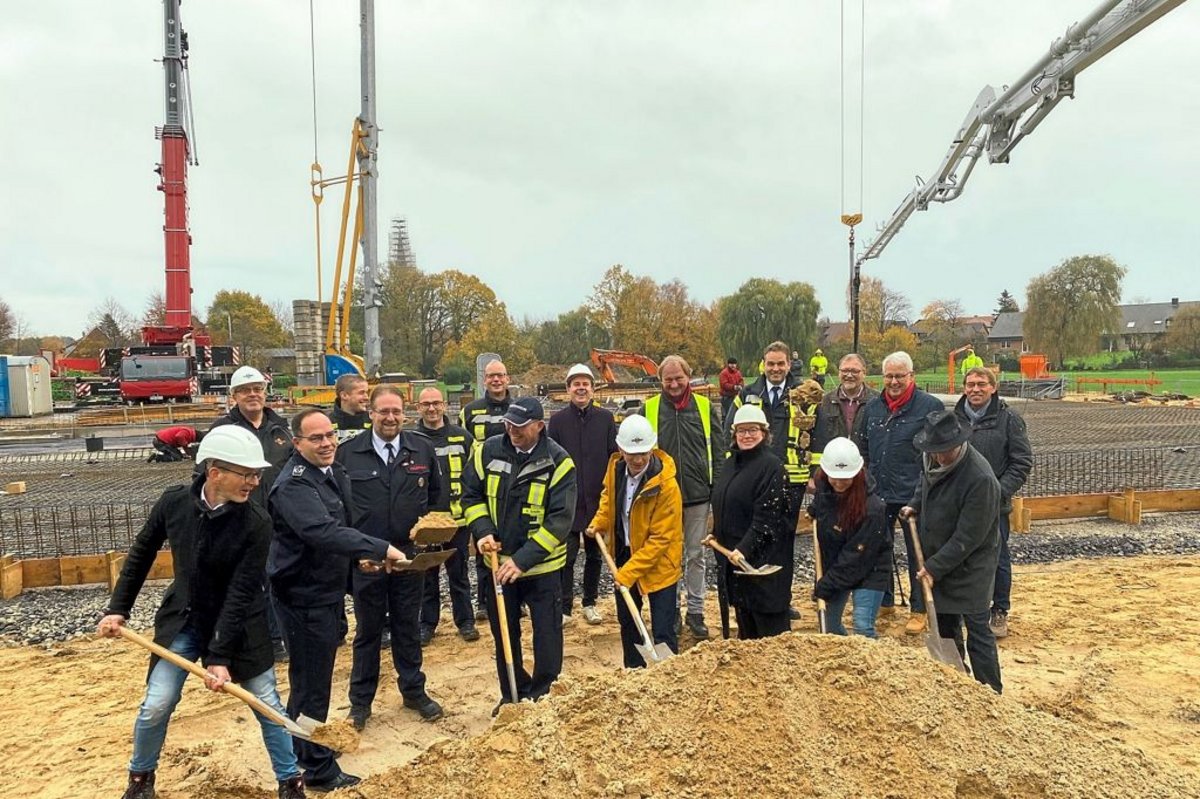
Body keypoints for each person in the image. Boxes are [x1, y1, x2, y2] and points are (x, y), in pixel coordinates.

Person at [98, 426, 308, 799]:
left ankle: (290, 782)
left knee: (267, 705)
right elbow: (141, 553)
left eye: (256, 474)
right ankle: (140, 781)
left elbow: (241, 592)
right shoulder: (174, 503)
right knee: (156, 704)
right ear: (215, 473)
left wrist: (220, 656)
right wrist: (118, 609)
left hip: (241, 628)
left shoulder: (256, 522)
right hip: (185, 619)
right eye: (247, 474)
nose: (255, 482)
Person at [267, 408, 407, 792]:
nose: (327, 443)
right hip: (303, 597)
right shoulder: (294, 486)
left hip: (325, 591)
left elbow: (341, 530)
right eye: (316, 438)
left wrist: (359, 558)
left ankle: (307, 753)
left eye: (330, 435)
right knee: (310, 687)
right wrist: (380, 548)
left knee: (316, 683)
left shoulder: (333, 473)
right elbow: (322, 532)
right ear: (297, 443)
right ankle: (315, 769)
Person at [336, 385, 445, 729]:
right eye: (383, 411)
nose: (390, 417)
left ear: (404, 413)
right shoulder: (348, 453)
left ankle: (414, 691)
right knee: (367, 632)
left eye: (396, 411)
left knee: (407, 626)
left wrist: (426, 541)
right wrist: (353, 554)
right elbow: (339, 509)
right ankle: (360, 703)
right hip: (367, 559)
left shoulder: (421, 449)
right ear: (370, 413)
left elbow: (436, 501)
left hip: (408, 559)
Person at [461, 397, 577, 709]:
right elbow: (470, 495)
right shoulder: (487, 451)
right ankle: (512, 694)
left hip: (543, 569)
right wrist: (483, 530)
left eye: (520, 425)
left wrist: (522, 560)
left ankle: (543, 696)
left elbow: (560, 521)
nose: (512, 430)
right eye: (509, 423)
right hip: (498, 565)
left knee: (547, 635)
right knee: (504, 635)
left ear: (539, 425)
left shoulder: (559, 462)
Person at [900, 409, 1003, 694]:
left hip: (971, 566)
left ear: (959, 443)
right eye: (935, 450)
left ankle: (990, 692)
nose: (940, 456)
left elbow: (969, 536)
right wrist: (914, 504)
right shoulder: (931, 458)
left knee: (977, 628)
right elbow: (925, 484)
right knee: (944, 625)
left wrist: (934, 567)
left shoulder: (980, 478)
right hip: (938, 556)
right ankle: (954, 686)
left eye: (945, 450)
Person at [638, 355, 725, 640]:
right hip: (663, 498)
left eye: (679, 378)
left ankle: (696, 612)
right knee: (668, 557)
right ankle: (672, 609)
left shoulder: (704, 407)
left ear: (688, 377)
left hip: (699, 495)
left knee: (696, 555)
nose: (674, 384)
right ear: (660, 380)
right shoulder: (649, 409)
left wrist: (717, 491)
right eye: (668, 379)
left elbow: (718, 450)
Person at [586, 414, 683, 668]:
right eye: (632, 454)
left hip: (660, 564)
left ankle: (668, 675)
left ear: (652, 448)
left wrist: (627, 574)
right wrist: (599, 521)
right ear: (621, 449)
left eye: (643, 453)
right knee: (628, 623)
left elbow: (660, 540)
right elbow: (609, 499)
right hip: (624, 554)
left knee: (663, 628)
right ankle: (634, 672)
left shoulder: (666, 486)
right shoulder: (615, 469)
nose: (638, 460)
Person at [211, 365, 294, 661]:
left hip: (278, 520)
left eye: (257, 389)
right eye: (245, 390)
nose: (252, 395)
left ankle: (278, 637)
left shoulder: (281, 429)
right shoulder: (223, 431)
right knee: (246, 582)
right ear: (234, 396)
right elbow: (206, 476)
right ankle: (256, 639)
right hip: (239, 520)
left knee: (277, 577)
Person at [862, 351, 944, 634]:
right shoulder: (873, 408)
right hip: (879, 492)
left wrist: (924, 489)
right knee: (878, 549)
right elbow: (864, 448)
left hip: (914, 494)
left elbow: (937, 452)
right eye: (889, 376)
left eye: (900, 376)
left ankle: (919, 609)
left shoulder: (929, 407)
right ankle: (884, 601)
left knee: (917, 553)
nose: (894, 382)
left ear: (912, 376)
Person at [734, 343, 817, 617]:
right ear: (763, 364)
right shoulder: (748, 394)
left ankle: (782, 601)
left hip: (791, 481)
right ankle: (758, 598)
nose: (776, 369)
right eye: (771, 364)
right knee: (757, 538)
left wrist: (814, 472)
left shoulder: (804, 394)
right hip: (755, 482)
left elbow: (817, 434)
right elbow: (731, 434)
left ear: (789, 365)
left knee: (783, 542)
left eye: (781, 363)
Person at [955, 366, 1033, 638]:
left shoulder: (1008, 419)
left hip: (993, 506)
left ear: (993, 388)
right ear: (964, 388)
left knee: (996, 558)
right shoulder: (954, 419)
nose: (975, 389)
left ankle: (999, 609)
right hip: (958, 504)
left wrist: (997, 491)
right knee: (959, 555)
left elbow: (1021, 462)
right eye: (971, 384)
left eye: (982, 384)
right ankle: (963, 607)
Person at [710, 404, 791, 639]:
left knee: (769, 634)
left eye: (753, 430)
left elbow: (768, 517)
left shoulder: (771, 467)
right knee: (745, 627)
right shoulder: (730, 464)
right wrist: (717, 533)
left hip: (762, 563)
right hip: (736, 563)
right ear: (734, 433)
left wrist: (744, 549)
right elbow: (724, 502)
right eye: (741, 430)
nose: (747, 435)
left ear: (764, 433)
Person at [547, 363, 617, 627]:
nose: (581, 388)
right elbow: (551, 461)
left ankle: (589, 603)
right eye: (576, 384)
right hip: (568, 502)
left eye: (585, 384)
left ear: (592, 389)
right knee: (566, 557)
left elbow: (613, 458)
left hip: (597, 500)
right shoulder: (557, 421)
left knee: (595, 556)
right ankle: (565, 607)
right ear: (568, 389)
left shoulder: (605, 419)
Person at [415, 386, 480, 644]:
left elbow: (475, 476)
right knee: (427, 575)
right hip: (426, 522)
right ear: (418, 408)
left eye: (436, 403)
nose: (432, 408)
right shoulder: (411, 440)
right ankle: (427, 624)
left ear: (444, 405)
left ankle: (465, 621)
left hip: (457, 521)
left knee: (459, 574)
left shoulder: (463, 438)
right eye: (426, 404)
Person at [809, 437, 890, 638]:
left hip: (870, 567)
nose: (839, 483)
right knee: (830, 627)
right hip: (837, 564)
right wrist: (814, 509)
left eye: (845, 478)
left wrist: (827, 585)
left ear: (857, 473)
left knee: (862, 628)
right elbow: (824, 503)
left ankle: (871, 657)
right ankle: (845, 652)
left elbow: (856, 556)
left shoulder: (873, 509)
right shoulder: (824, 487)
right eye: (834, 477)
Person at [459, 359, 514, 620]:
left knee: (511, 542)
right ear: (485, 380)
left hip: (512, 486)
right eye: (491, 376)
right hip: (481, 486)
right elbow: (463, 446)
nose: (496, 380)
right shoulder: (470, 411)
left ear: (507, 379)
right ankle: (484, 601)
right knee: (484, 542)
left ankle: (514, 598)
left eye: (500, 375)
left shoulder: (518, 409)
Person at [811, 353, 877, 457]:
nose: (849, 375)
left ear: (864, 373)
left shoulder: (878, 402)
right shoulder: (823, 403)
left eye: (854, 371)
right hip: (833, 464)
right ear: (839, 372)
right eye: (845, 371)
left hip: (866, 464)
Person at [329, 374, 371, 442]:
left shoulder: (374, 421)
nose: (367, 397)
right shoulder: (327, 422)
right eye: (361, 393)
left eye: (367, 393)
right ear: (344, 395)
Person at [717, 357, 744, 423]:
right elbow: (724, 384)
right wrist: (734, 387)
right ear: (728, 364)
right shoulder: (723, 373)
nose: (733, 365)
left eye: (734, 364)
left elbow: (741, 380)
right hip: (726, 397)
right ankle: (725, 427)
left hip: (736, 397)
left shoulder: (737, 372)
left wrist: (740, 385)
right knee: (727, 415)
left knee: (735, 414)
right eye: (731, 364)